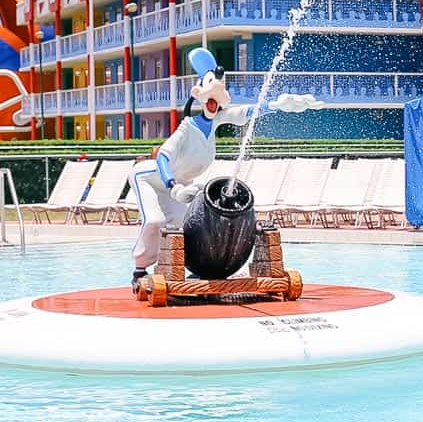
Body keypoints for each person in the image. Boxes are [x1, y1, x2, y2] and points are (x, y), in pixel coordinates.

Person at [129, 48, 318, 293]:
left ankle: (194, 268)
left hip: (180, 186)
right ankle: (139, 271)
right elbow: (163, 157)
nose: (214, 104)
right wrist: (173, 187)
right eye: (210, 99)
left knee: (182, 228)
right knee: (154, 220)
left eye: (217, 101)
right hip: (151, 178)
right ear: (198, 95)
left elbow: (244, 114)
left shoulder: (215, 122)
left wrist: (277, 105)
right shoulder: (187, 128)